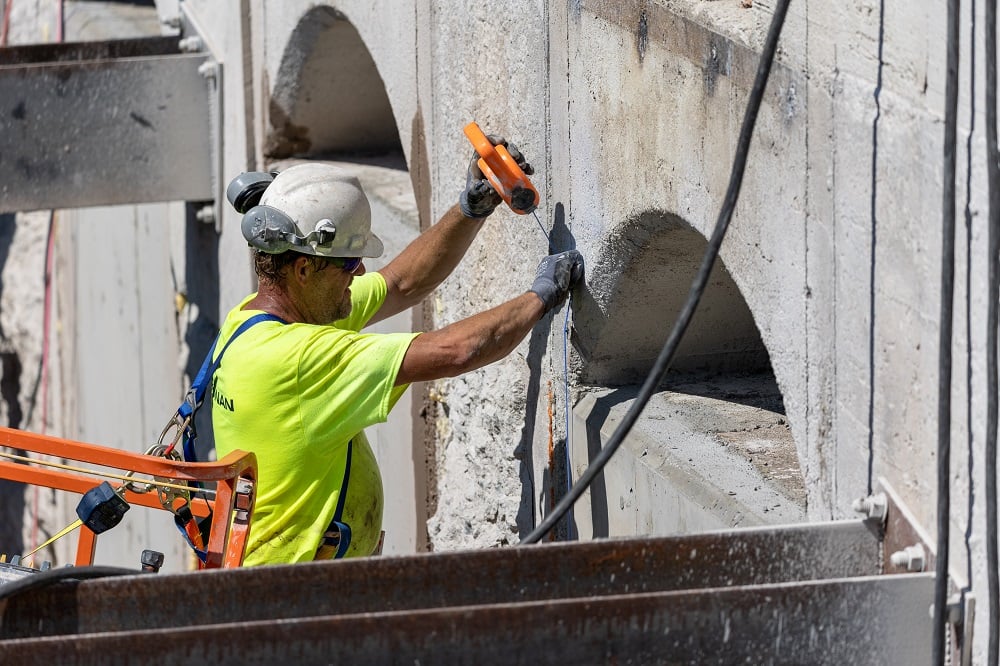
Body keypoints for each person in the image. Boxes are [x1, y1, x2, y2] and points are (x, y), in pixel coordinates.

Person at [213, 140, 584, 565]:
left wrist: (470, 210)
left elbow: (401, 283)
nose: (360, 272)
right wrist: (541, 296)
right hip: (299, 599)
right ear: (303, 268)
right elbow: (457, 351)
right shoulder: (300, 360)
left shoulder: (253, 321)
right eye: (349, 263)